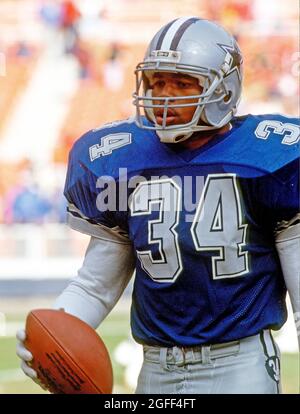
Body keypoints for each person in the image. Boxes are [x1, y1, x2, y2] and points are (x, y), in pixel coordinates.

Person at [16, 17, 299, 394]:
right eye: (157, 81)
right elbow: (95, 286)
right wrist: (53, 330)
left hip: (239, 364)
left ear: (224, 91)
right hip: (155, 367)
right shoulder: (124, 161)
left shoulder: (267, 158)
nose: (165, 94)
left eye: (182, 83)